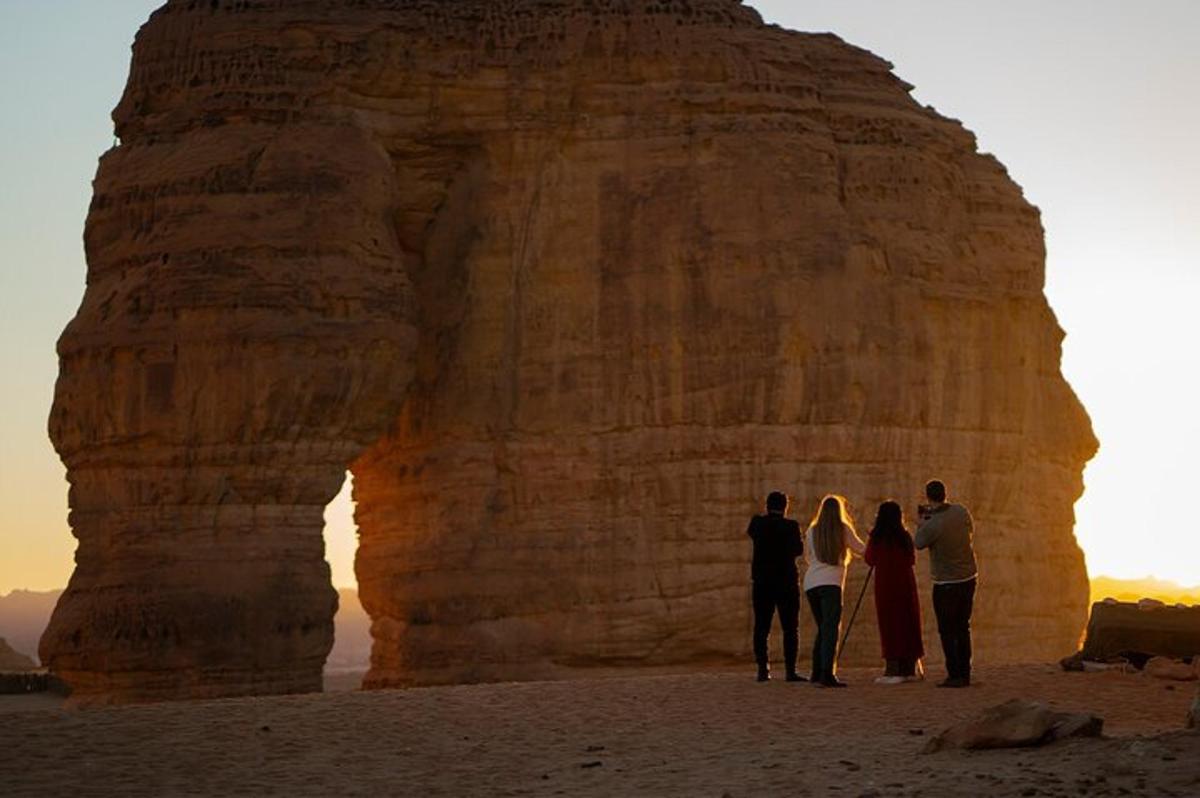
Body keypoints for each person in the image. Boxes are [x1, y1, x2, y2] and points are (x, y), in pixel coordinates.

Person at [914, 479, 978, 688]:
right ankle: (965, 673)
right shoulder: (961, 511)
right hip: (969, 577)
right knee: (963, 626)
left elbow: (918, 543)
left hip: (946, 583)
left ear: (928, 497)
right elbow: (970, 530)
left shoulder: (933, 524)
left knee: (947, 630)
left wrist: (922, 522)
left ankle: (954, 674)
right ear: (944, 493)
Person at [803, 495, 865, 688]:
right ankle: (827, 674)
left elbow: (807, 557)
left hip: (811, 583)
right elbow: (861, 550)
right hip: (831, 584)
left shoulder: (812, 530)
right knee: (830, 629)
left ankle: (816, 672)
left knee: (823, 628)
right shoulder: (842, 529)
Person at [746, 491, 805, 682]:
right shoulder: (791, 526)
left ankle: (763, 669)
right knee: (790, 628)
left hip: (762, 582)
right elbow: (798, 550)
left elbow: (751, 532)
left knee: (761, 627)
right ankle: (790, 670)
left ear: (767, 505)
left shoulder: (757, 523)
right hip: (786, 582)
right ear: (785, 507)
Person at [864, 501, 924, 684]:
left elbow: (870, 559)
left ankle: (893, 668)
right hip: (905, 584)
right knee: (907, 622)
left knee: (889, 624)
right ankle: (909, 668)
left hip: (885, 585)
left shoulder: (877, 538)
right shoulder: (904, 536)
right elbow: (911, 559)